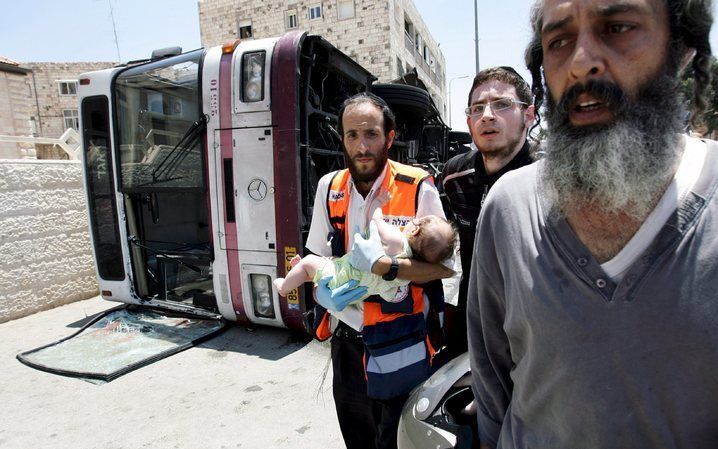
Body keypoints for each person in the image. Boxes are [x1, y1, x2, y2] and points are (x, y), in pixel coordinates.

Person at [467, 0, 716, 448]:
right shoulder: (508, 207)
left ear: (679, 47)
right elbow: (492, 386)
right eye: (559, 41)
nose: (581, 63)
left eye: (617, 27)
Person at [305, 92, 453, 449]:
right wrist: (320, 290)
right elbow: (316, 258)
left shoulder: (417, 185)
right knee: (358, 438)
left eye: (371, 134)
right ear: (343, 139)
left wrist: (388, 270)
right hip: (347, 344)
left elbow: (444, 271)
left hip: (401, 341)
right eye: (352, 135)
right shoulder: (329, 187)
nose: (362, 146)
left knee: (398, 439)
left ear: (389, 137)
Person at [440, 66, 535, 359]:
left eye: (502, 104)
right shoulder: (453, 175)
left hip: (535, 332)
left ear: (529, 116)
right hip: (472, 324)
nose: (487, 115)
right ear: (468, 121)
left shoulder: (552, 176)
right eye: (477, 108)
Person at [275, 208, 456, 301]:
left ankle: (284, 286)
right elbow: (390, 294)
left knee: (308, 262)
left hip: (348, 283)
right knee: (327, 262)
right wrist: (319, 296)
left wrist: (377, 206)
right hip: (357, 294)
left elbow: (446, 269)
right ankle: (301, 272)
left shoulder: (397, 239)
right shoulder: (330, 184)